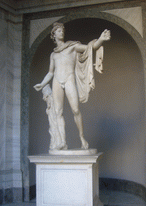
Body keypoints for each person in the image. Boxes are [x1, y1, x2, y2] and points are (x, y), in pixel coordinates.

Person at [34, 22, 110, 150]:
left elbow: (89, 48)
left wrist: (101, 39)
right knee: (58, 112)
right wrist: (42, 84)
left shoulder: (72, 47)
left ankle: (82, 138)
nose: (61, 32)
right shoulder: (53, 55)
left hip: (69, 78)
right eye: (58, 31)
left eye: (62, 30)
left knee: (75, 110)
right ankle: (62, 142)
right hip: (57, 81)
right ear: (53, 35)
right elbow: (51, 72)